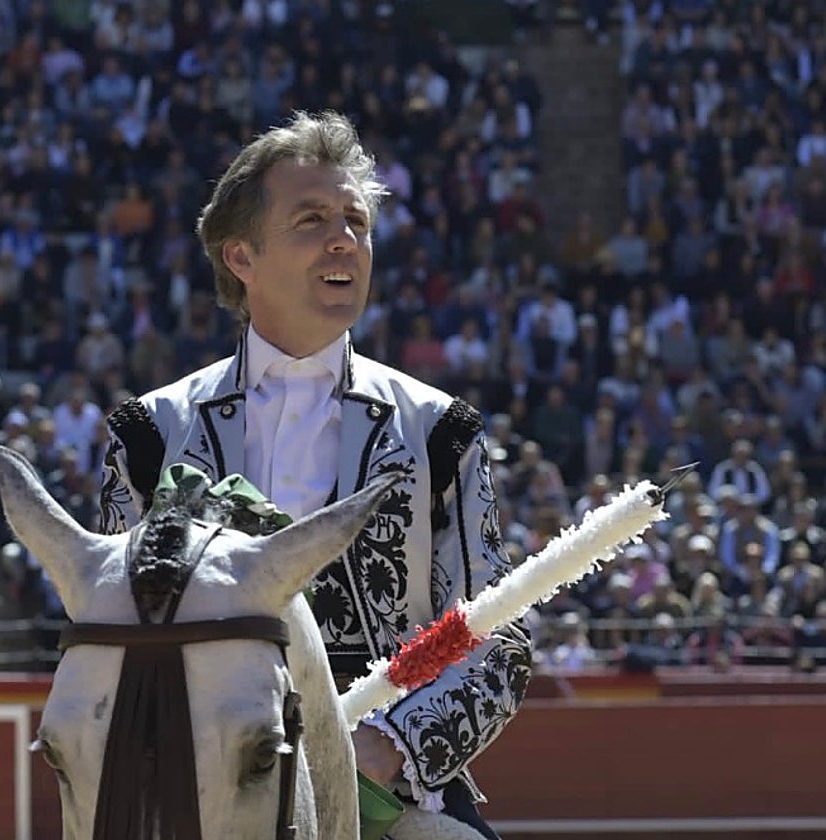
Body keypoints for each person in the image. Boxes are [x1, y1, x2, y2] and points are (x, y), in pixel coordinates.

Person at [97, 111, 531, 837]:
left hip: (391, 803)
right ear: (241, 256)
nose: (345, 240)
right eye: (311, 219)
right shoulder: (148, 435)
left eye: (356, 222)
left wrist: (378, 753)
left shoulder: (440, 430)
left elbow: (496, 637)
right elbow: (112, 641)